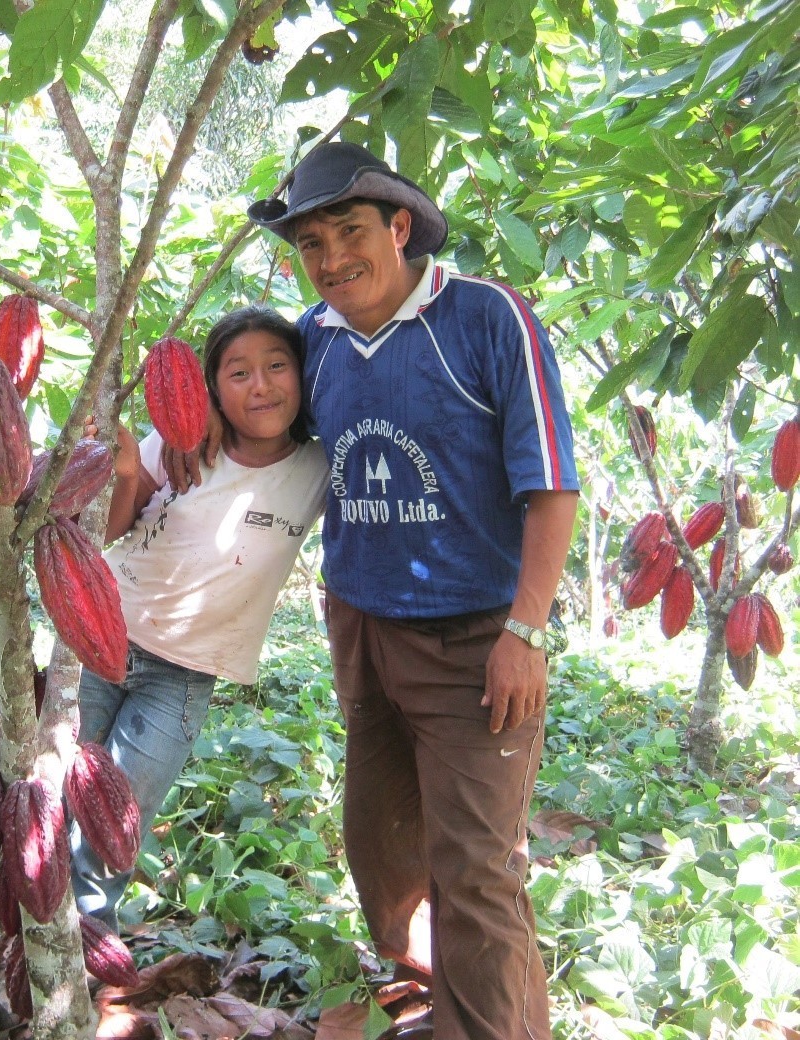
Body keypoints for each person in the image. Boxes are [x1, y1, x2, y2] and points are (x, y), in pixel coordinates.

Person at [171, 142, 580, 1040]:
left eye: (349, 233)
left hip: (478, 638)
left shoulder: (487, 318)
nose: (331, 260)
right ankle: (445, 1004)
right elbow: (267, 426)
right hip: (362, 627)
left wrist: (528, 631)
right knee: (386, 852)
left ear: (400, 228)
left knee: (474, 868)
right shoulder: (313, 339)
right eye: (310, 245)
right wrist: (187, 419)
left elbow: (552, 487)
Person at [71, 306, 328, 932]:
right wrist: (130, 467)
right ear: (214, 388)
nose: (260, 386)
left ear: (303, 375)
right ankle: (31, 938)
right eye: (237, 373)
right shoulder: (181, 441)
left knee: (117, 816)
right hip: (101, 635)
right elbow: (109, 531)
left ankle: (86, 946)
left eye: (276, 366)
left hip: (183, 676)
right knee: (55, 793)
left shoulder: (320, 469)